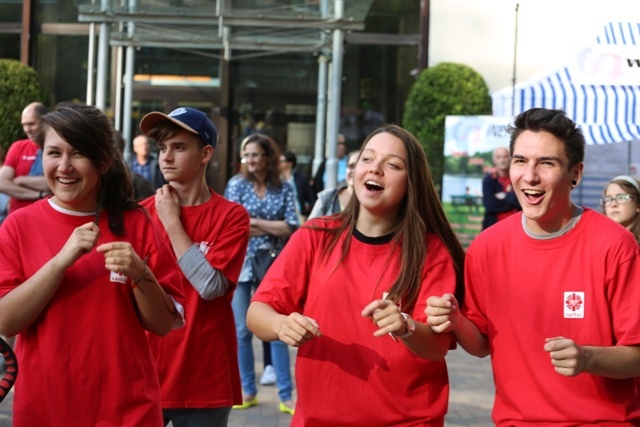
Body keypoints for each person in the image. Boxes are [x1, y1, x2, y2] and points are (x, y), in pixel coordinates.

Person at [427, 108, 640, 426]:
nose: (530, 176)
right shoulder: (486, 247)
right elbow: (482, 344)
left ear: (575, 173)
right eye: (520, 161)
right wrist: (456, 319)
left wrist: (587, 358)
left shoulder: (616, 245)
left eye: (547, 163)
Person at [246, 124, 466, 426]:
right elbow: (257, 312)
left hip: (408, 419)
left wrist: (405, 326)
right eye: (367, 159)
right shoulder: (315, 236)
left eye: (392, 164)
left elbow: (437, 347)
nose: (375, 169)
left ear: (411, 181)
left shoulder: (431, 251)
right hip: (319, 418)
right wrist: (281, 324)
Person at [0, 102, 186, 426]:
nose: (65, 166)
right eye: (54, 153)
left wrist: (141, 275)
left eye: (78, 154)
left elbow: (162, 324)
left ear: (104, 160)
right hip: (44, 410)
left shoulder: (136, 222)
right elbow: (6, 321)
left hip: (127, 411)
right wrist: (60, 262)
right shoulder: (18, 225)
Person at [139, 107, 250, 427]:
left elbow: (211, 286)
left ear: (205, 153)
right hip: (147, 374)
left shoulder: (231, 215)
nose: (166, 157)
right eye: (162, 148)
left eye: (178, 147)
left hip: (206, 377)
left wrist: (172, 223)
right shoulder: (139, 214)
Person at [224, 133, 298, 415]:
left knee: (278, 328)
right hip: (241, 262)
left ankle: (285, 395)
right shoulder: (236, 184)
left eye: (255, 154)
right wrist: (271, 225)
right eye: (246, 155)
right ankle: (247, 390)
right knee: (242, 331)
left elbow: (291, 226)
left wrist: (253, 221)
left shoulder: (284, 187)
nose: (250, 160)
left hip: (274, 264)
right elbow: (234, 227)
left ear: (268, 157)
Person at [0, 102, 51, 214]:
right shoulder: (18, 147)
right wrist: (40, 195)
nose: (27, 129)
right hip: (17, 218)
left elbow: (57, 182)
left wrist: (21, 180)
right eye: (24, 125)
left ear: (45, 122)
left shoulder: (56, 147)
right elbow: (2, 183)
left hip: (44, 216)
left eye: (31, 124)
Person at [308, 150, 359, 219]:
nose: (354, 171)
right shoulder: (327, 197)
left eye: (359, 167)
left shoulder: (371, 203)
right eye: (351, 166)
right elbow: (309, 227)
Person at [481, 146, 520, 229]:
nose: (502, 160)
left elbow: (522, 202)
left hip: (517, 227)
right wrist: (512, 199)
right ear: (494, 160)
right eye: (499, 157)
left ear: (510, 158)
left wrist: (505, 196)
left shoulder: (518, 178)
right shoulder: (489, 180)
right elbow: (489, 206)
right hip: (494, 227)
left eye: (505, 156)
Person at [114, 130, 155, 201]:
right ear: (134, 148)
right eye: (141, 145)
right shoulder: (129, 166)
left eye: (146, 144)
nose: (144, 147)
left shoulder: (157, 165)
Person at [601, 174, 640, 245]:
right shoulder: (599, 241)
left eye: (621, 197)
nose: (613, 204)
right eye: (608, 199)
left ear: (638, 205)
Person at [279, 150, 316, 222]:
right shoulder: (276, 179)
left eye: (281, 161)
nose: (279, 163)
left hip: (300, 217)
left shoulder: (301, 179)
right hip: (281, 218)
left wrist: (307, 207)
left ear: (290, 163)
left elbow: (311, 198)